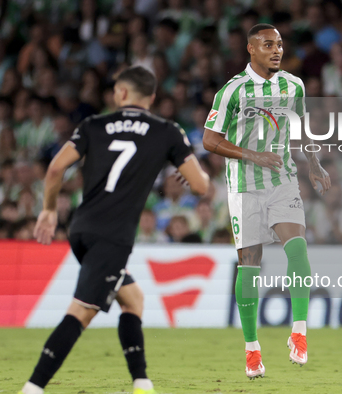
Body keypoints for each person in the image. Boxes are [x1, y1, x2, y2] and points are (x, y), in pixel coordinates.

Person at [18, 67, 210, 394]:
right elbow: (201, 186)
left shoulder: (92, 125)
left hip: (81, 229)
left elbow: (55, 168)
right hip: (113, 235)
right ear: (150, 98)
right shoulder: (167, 131)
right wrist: (185, 176)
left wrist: (49, 210)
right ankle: (33, 387)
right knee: (81, 311)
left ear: (120, 94)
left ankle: (141, 381)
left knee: (132, 298)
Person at [202, 24, 331, 379]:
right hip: (243, 186)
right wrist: (250, 155)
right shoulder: (232, 91)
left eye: (279, 45)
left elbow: (302, 127)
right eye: (268, 45)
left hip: (282, 180)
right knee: (250, 263)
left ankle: (300, 333)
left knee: (298, 249)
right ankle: (252, 349)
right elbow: (210, 140)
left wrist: (314, 163)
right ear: (250, 49)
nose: (276, 50)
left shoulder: (294, 85)